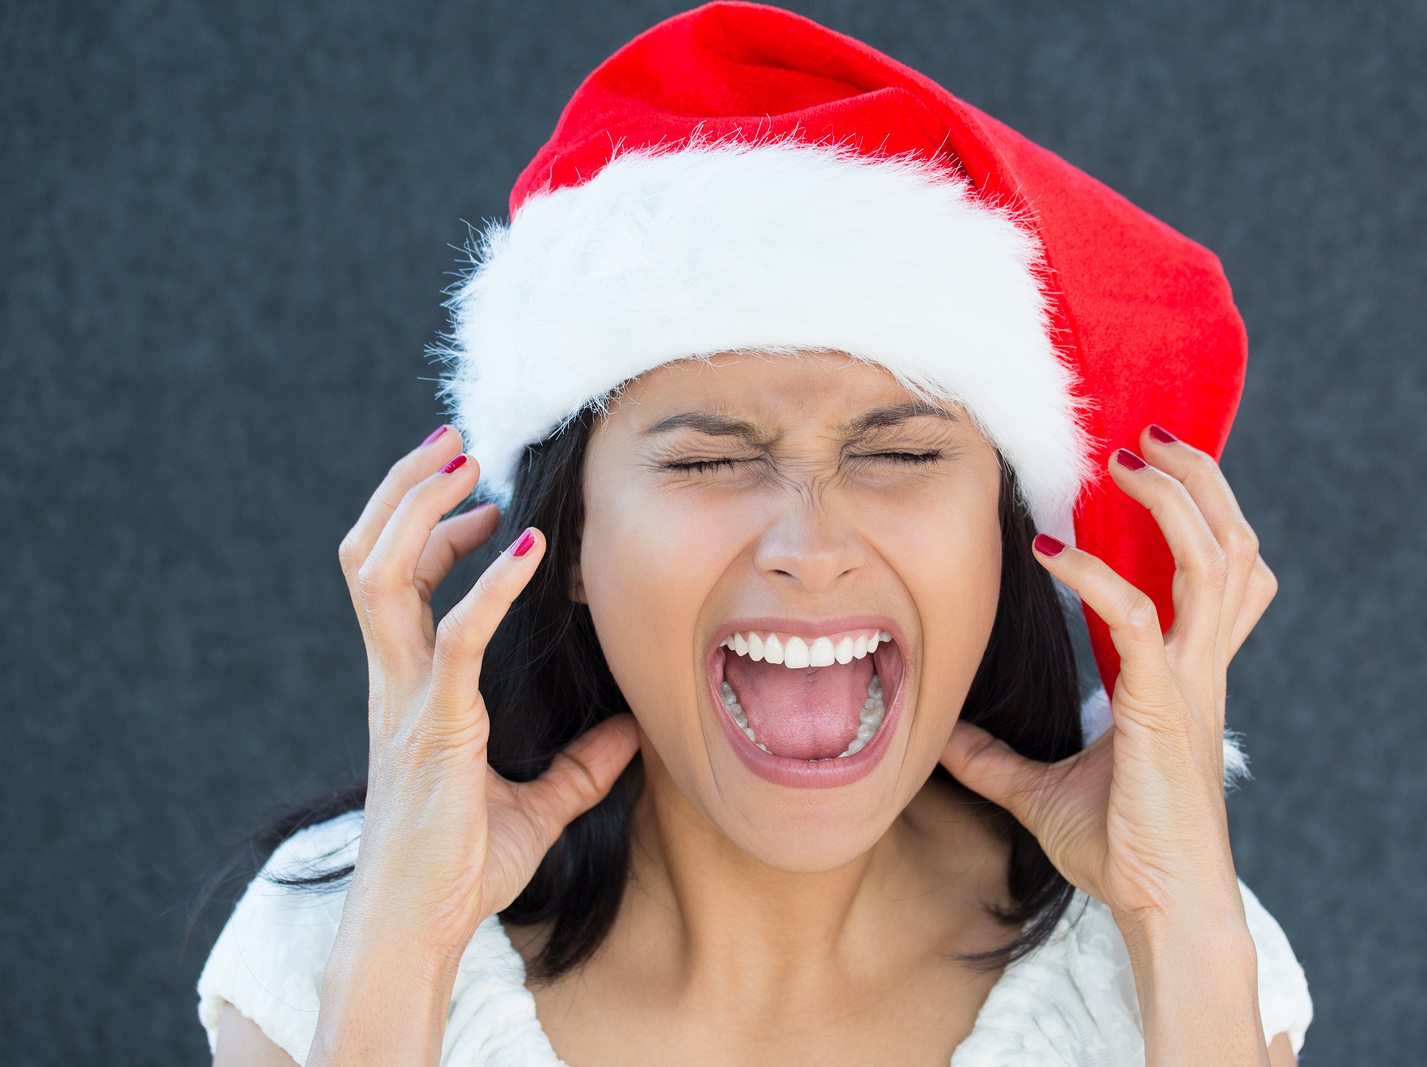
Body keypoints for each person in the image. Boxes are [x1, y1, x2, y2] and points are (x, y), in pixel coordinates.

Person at [191, 3, 1313, 1064]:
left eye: (902, 453)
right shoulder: (338, 934)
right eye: (706, 460)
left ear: (1007, 540)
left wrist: (1178, 918)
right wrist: (401, 944)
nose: (807, 544)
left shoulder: (1187, 951)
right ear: (570, 543)